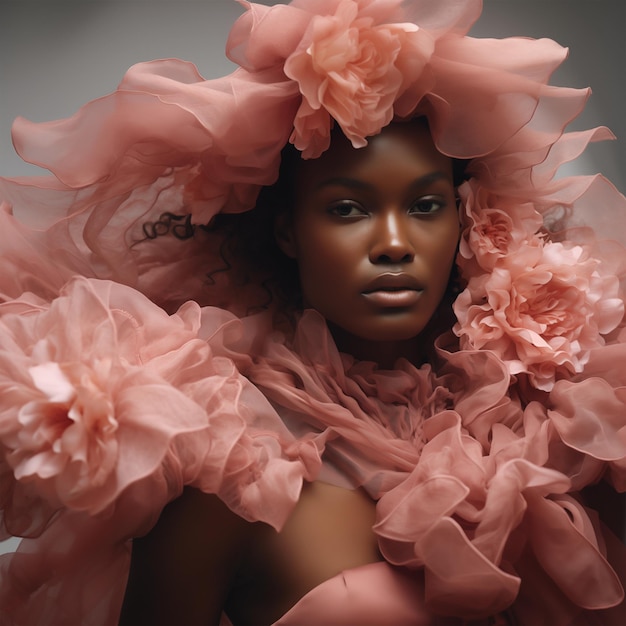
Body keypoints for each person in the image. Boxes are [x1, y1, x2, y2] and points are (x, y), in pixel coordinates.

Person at [0, 1, 625, 624]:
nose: (394, 243)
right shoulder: (231, 466)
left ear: (465, 217)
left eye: (426, 206)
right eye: (347, 209)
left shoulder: (549, 431)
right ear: (286, 233)